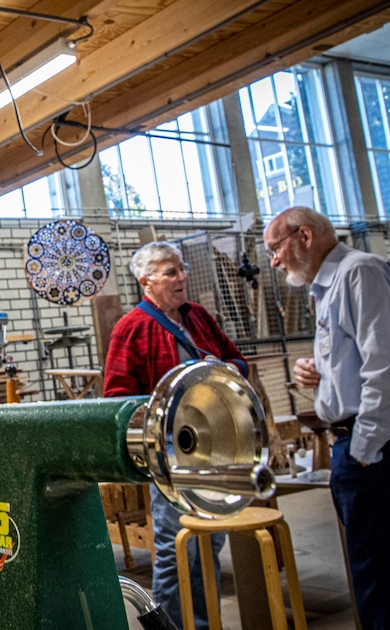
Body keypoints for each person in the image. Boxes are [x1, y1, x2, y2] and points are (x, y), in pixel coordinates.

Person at [267, 207, 390, 629]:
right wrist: (319, 373)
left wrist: (363, 451)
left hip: (385, 441)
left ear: (304, 236)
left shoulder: (358, 274)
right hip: (384, 438)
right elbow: (364, 359)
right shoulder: (330, 285)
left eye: (275, 248)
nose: (273, 261)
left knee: (384, 583)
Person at [103, 241, 249, 630]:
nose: (182, 277)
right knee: (176, 547)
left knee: (210, 541)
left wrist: (225, 371)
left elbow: (237, 360)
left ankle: (203, 623)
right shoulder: (131, 328)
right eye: (171, 272)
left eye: (182, 269)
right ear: (146, 281)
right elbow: (118, 400)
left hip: (216, 444)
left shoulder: (198, 316)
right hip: (170, 453)